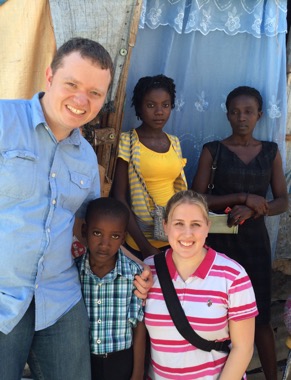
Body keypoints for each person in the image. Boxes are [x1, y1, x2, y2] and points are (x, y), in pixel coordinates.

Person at [0, 37, 151, 380]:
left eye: (96, 93)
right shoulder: (3, 121)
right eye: (72, 84)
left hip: (59, 298)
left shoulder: (85, 157)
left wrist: (139, 269)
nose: (82, 100)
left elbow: (90, 229)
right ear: (50, 76)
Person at [192, 86, 289, 380]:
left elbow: (283, 201)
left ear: (259, 115)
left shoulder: (270, 151)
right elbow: (196, 199)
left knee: (258, 316)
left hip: (255, 245)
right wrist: (242, 198)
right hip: (219, 244)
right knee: (218, 314)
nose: (241, 117)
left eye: (248, 112)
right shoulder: (214, 150)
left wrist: (255, 209)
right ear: (227, 115)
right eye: (235, 112)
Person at [144, 190, 258, 379]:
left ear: (207, 227)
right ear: (165, 226)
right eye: (178, 224)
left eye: (195, 224)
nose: (187, 234)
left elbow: (243, 349)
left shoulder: (233, 276)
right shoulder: (147, 272)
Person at [112, 74, 187, 259]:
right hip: (140, 237)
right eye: (151, 105)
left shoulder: (174, 142)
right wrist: (144, 246)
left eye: (165, 105)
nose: (159, 111)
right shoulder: (128, 141)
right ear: (139, 107)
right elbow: (119, 197)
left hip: (176, 233)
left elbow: (180, 189)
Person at [76, 197, 146, 380]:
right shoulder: (73, 272)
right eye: (97, 233)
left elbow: (138, 326)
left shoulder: (133, 274)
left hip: (121, 362)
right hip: (84, 362)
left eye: (114, 236)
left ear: (123, 238)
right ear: (85, 231)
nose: (104, 244)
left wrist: (137, 373)